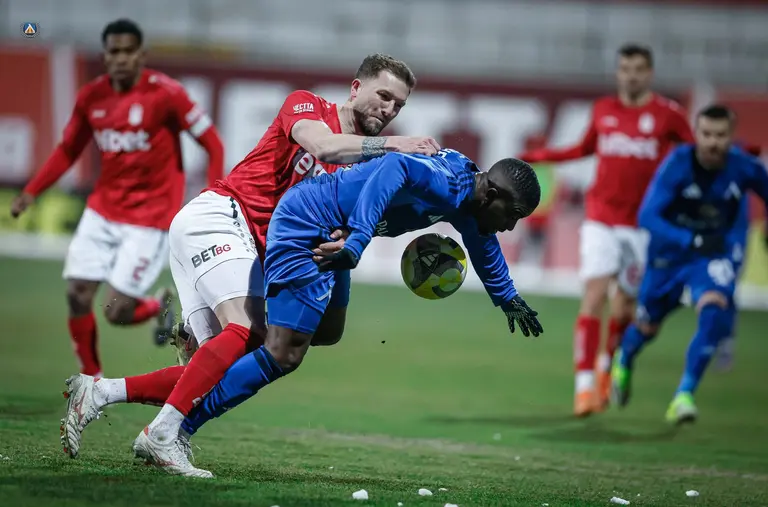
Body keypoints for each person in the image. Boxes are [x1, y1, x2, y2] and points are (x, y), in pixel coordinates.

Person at [60, 54, 440, 460]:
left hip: (246, 247)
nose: (389, 109)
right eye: (384, 96)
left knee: (217, 369)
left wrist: (344, 238)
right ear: (356, 87)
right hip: (223, 216)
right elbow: (324, 147)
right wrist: (394, 144)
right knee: (248, 330)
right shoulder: (307, 105)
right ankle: (163, 437)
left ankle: (100, 392)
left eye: (399, 105)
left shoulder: (367, 168)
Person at [133, 149, 544, 477]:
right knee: (283, 352)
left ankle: (208, 358)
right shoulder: (449, 183)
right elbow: (394, 167)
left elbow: (481, 240)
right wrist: (360, 238)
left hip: (336, 227)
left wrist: (506, 296)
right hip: (311, 221)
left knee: (327, 331)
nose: (510, 227)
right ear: (492, 194)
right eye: (513, 215)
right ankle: (175, 428)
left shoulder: (470, 197)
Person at [10, 19, 224, 377]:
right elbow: (68, 149)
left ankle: (157, 306)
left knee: (115, 311)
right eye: (114, 52)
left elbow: (212, 143)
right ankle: (90, 380)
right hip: (103, 210)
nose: (121, 58)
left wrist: (213, 193)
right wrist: (32, 191)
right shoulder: (91, 97)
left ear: (141, 55)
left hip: (151, 218)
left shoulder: (167, 94)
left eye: (128, 51)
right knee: (77, 293)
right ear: (105, 55)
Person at [519, 43, 694, 416]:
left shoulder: (669, 116)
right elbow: (583, 149)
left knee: (624, 306)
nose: (631, 76)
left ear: (649, 73)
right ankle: (584, 387)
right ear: (618, 73)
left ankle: (606, 366)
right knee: (594, 295)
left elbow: (695, 156)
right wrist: (541, 156)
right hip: (600, 217)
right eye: (625, 69)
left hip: (643, 225)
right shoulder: (603, 109)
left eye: (638, 69)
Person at [611, 105, 768, 424]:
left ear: (731, 137)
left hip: (711, 255)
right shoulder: (678, 164)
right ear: (696, 134)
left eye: (720, 135)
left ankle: (684, 394)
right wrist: (690, 239)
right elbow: (647, 216)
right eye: (706, 134)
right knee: (647, 328)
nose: (713, 142)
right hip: (668, 257)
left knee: (714, 307)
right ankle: (624, 357)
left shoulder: (744, 167)